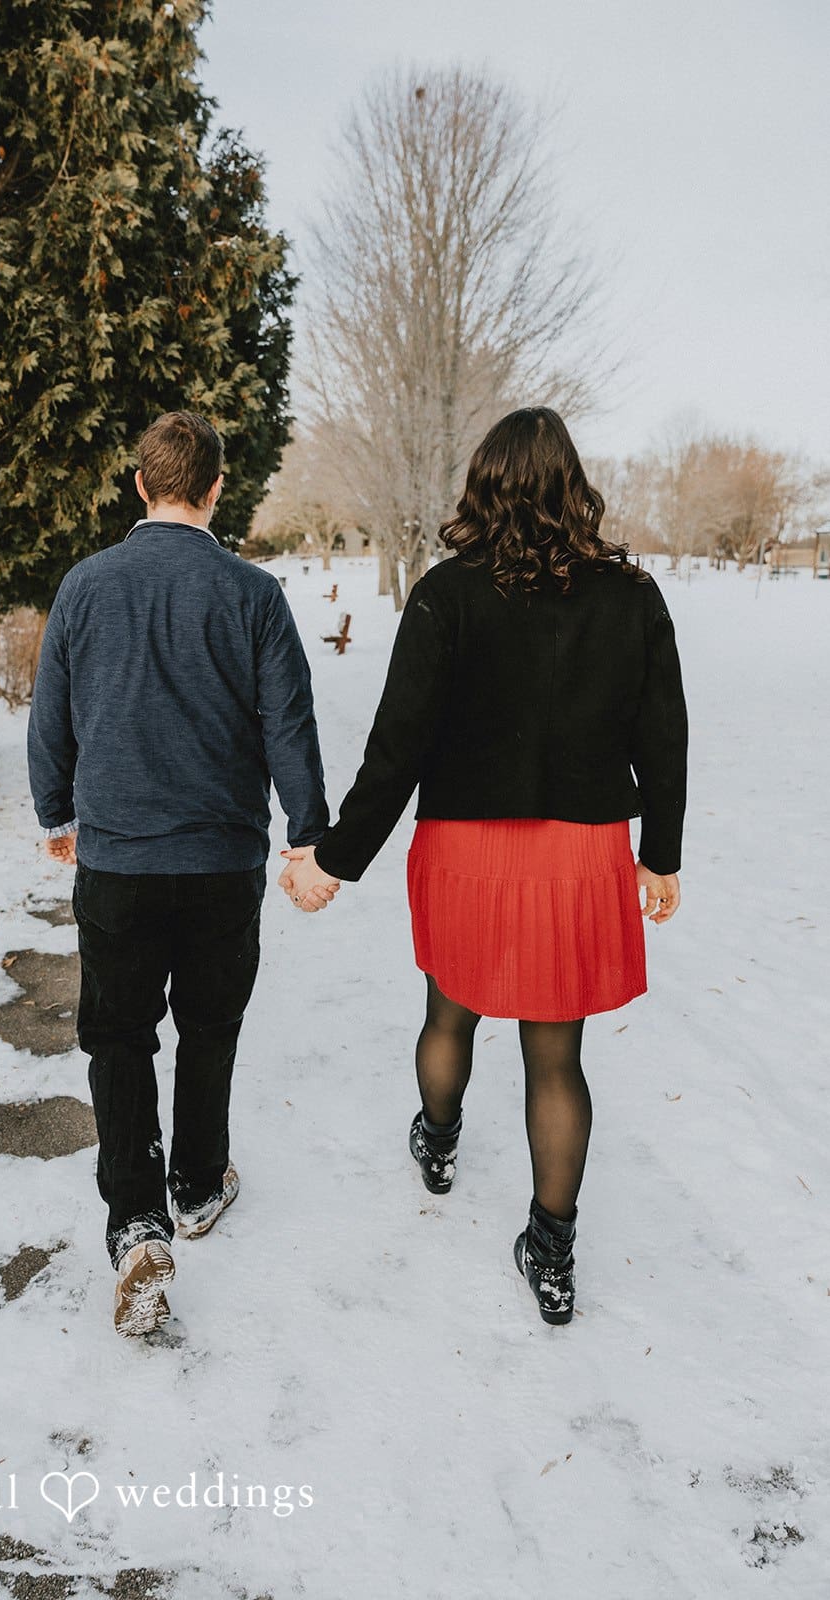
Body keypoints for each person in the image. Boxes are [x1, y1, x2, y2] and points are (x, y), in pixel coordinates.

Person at [281, 406, 687, 1327]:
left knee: (448, 1013)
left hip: (465, 846)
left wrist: (333, 863)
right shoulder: (631, 597)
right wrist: (658, 854)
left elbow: (398, 747)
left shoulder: (447, 592)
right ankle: (551, 1252)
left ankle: (437, 1139)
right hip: (581, 852)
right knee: (557, 1057)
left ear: (485, 482)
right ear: (571, 485)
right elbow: (663, 736)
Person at [28, 411, 328, 1336]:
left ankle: (137, 1220)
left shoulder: (85, 586)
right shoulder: (252, 594)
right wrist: (305, 835)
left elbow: (53, 716)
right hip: (219, 862)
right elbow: (288, 725)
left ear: (138, 484)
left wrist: (56, 814)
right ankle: (196, 1183)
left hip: (116, 859)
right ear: (215, 489)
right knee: (208, 1026)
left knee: (118, 1038)